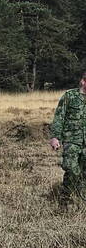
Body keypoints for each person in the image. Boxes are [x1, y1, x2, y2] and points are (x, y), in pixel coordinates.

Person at [49, 70, 86, 202]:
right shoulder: (69, 96)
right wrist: (55, 137)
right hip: (72, 140)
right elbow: (59, 117)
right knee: (71, 168)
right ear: (83, 81)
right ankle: (66, 198)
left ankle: (80, 200)